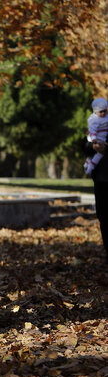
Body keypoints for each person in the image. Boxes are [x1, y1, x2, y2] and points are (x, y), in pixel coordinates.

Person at [83, 98, 108, 265]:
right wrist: (92, 147)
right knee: (103, 216)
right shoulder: (94, 122)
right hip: (101, 178)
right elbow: (84, 145)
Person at [84, 98, 108, 175]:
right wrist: (94, 140)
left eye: (105, 111)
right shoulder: (94, 119)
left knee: (99, 153)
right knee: (99, 153)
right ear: (95, 111)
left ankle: (89, 164)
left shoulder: (106, 117)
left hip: (103, 138)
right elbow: (92, 130)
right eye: (101, 112)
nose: (103, 113)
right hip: (97, 138)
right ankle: (90, 166)